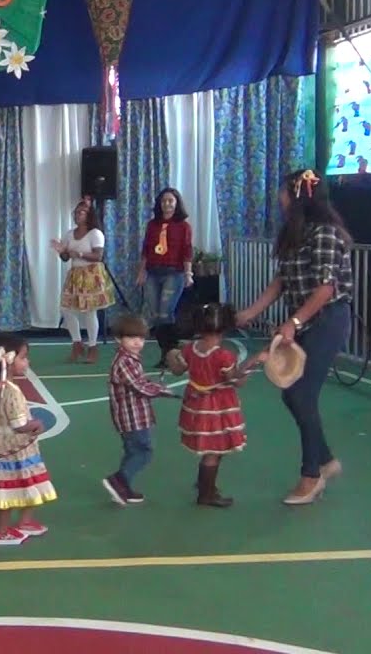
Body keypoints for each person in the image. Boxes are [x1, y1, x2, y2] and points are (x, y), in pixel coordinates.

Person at [237, 169, 352, 505]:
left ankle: (311, 475)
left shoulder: (326, 234)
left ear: (299, 196)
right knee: (293, 394)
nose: (279, 197)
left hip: (328, 320)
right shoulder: (295, 233)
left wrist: (293, 323)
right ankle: (327, 460)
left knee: (301, 394)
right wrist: (250, 312)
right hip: (306, 320)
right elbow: (281, 281)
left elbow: (326, 289)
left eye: (284, 191)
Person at [165, 304, 267, 507]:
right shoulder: (223, 356)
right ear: (225, 327)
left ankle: (205, 484)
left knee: (208, 447)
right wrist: (255, 360)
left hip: (196, 404)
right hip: (216, 407)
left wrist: (170, 354)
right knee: (214, 449)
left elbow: (178, 369)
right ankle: (206, 494)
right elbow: (236, 380)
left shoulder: (190, 349)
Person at [0, 334, 54, 545]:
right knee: (8, 490)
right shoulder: (10, 392)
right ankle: (2, 532)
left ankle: (25, 522)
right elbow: (19, 425)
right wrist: (37, 424)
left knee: (30, 483)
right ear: (9, 361)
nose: (27, 362)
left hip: (15, 449)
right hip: (12, 451)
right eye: (24, 358)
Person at [102, 314, 179, 506]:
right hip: (132, 417)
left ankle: (122, 488)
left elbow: (139, 383)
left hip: (132, 416)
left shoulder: (130, 358)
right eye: (131, 337)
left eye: (141, 338)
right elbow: (139, 386)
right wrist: (163, 391)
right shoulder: (125, 361)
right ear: (119, 339)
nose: (137, 342)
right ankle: (119, 479)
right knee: (143, 451)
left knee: (132, 451)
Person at [136, 188, 194, 367]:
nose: (167, 204)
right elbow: (146, 250)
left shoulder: (184, 226)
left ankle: (169, 353)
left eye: (170, 201)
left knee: (165, 313)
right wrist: (141, 272)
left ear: (177, 203)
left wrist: (188, 273)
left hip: (173, 273)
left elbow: (187, 251)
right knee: (155, 314)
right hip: (153, 272)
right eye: (163, 201)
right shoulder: (152, 225)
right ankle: (170, 351)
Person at [52, 199, 115, 364]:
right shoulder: (69, 234)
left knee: (89, 311)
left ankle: (93, 347)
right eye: (76, 212)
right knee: (66, 309)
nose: (78, 215)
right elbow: (66, 258)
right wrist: (62, 251)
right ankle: (77, 343)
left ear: (89, 215)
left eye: (82, 212)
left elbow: (98, 256)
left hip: (91, 274)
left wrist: (79, 254)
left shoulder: (95, 233)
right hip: (75, 274)